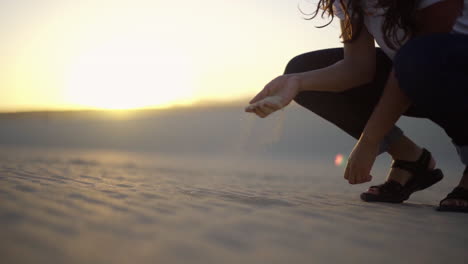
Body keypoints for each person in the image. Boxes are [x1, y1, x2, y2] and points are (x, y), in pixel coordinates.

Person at [245, 0, 468, 212]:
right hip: (416, 73)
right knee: (303, 68)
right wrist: (297, 82)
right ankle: (411, 161)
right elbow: (357, 68)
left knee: (417, 57)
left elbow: (422, 60)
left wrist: (370, 140)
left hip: (448, 73)